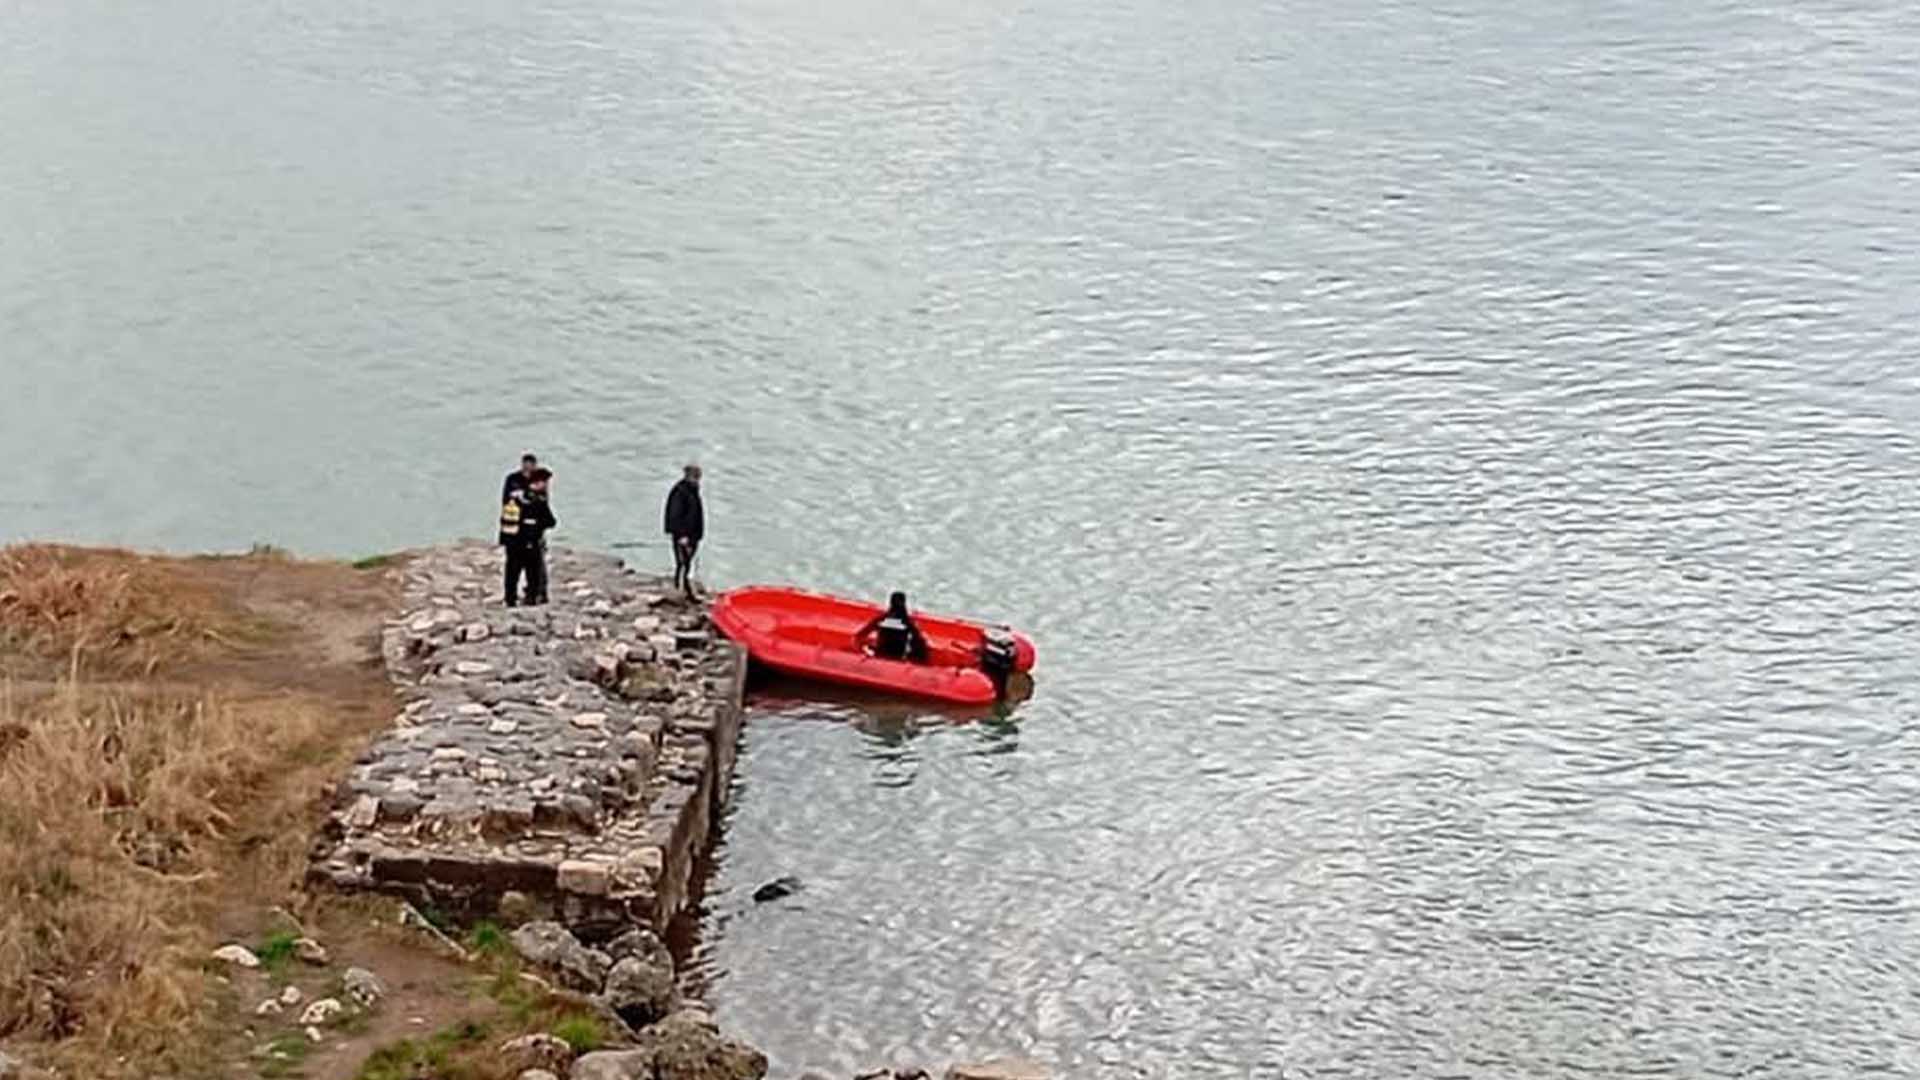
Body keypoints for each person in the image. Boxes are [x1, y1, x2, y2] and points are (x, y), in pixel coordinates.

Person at [501, 469, 557, 607]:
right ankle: (531, 599)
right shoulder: (537, 501)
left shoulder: (514, 498)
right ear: (538, 482)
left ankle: (510, 599)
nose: (545, 486)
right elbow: (550, 521)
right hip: (531, 543)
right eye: (544, 483)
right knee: (533, 575)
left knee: (512, 573)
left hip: (513, 543)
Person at [663, 463, 704, 594]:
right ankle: (680, 589)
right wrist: (681, 535)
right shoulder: (680, 491)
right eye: (696, 476)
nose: (698, 479)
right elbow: (674, 514)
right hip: (683, 535)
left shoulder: (693, 490)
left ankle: (685, 588)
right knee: (682, 563)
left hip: (693, 534)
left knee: (687, 563)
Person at [858, 592, 930, 663]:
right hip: (898, 656)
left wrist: (864, 647)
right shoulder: (908, 622)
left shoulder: (882, 619)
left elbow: (861, 635)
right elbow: (919, 640)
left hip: (880, 654)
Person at [500, 453, 539, 545]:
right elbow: (505, 499)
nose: (528, 468)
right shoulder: (512, 478)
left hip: (531, 517)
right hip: (513, 516)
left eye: (531, 465)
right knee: (512, 544)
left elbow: (542, 499)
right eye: (526, 465)